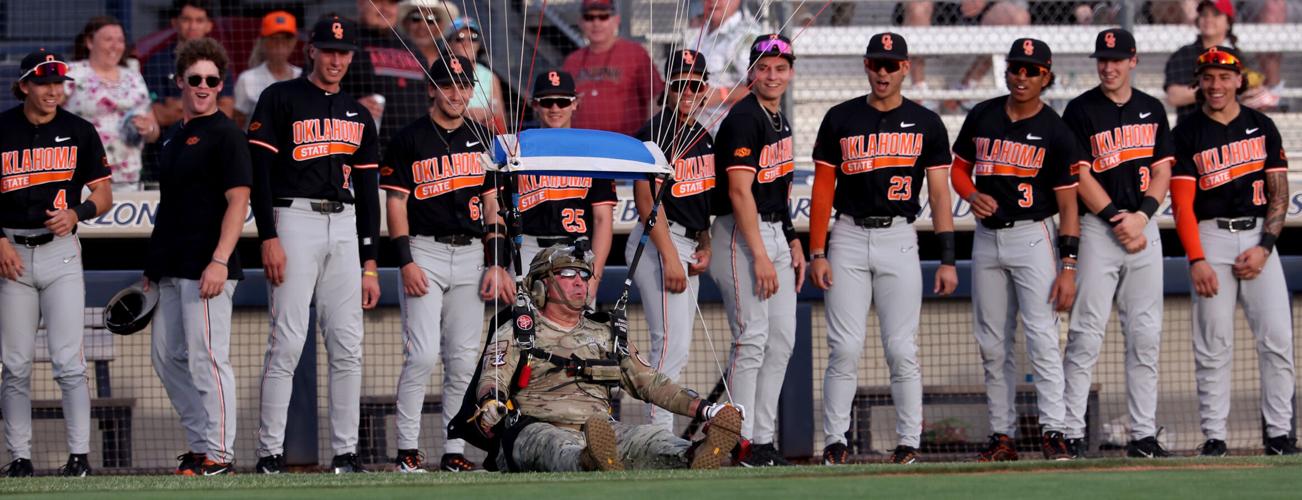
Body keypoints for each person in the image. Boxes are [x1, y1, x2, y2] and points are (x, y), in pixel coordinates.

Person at [808, 32, 958, 466]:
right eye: (876, 63)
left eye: (891, 65)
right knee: (845, 347)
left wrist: (947, 258)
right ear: (866, 65)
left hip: (899, 235)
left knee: (901, 348)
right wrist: (817, 251)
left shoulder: (927, 122)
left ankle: (909, 442)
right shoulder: (840, 117)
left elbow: (940, 195)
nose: (883, 72)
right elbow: (822, 190)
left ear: (906, 68)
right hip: (849, 236)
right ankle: (835, 441)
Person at [247, 16, 382, 474]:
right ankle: (269, 453)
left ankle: (345, 452)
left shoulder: (357, 113)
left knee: (348, 345)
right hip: (294, 219)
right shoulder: (279, 97)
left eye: (344, 53)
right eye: (329, 51)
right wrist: (268, 235)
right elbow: (259, 176)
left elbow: (368, 195)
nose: (337, 59)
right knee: (286, 343)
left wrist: (369, 262)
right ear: (311, 51)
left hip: (343, 227)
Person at [471, 245, 744, 472]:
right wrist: (490, 403)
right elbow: (492, 378)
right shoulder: (518, 330)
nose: (580, 281)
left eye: (584, 275)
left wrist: (708, 409)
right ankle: (587, 461)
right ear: (540, 286)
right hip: (535, 431)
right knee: (555, 446)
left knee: (652, 438)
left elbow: (652, 383)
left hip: (601, 430)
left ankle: (693, 455)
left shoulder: (606, 332)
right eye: (567, 274)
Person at [949, 38, 1085, 462]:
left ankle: (1054, 431)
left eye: (1031, 70)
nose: (1022, 76)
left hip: (1033, 236)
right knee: (992, 342)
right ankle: (1001, 434)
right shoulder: (983, 114)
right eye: (1016, 68)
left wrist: (1068, 266)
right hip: (988, 238)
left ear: (1047, 76)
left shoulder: (1056, 129)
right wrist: (970, 194)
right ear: (1006, 71)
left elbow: (1068, 205)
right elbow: (958, 168)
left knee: (1043, 337)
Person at [379, 55, 514, 473]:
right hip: (425, 252)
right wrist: (404, 261)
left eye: (463, 85)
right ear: (431, 89)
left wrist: (496, 263)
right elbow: (396, 204)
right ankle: (406, 449)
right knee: (420, 355)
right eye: (447, 85)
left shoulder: (483, 136)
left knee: (461, 359)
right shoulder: (408, 139)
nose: (456, 93)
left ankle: (454, 450)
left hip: (472, 253)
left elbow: (493, 204)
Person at [1170, 45, 1298, 458]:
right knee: (1213, 343)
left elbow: (1279, 195)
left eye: (1224, 76)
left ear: (1240, 79)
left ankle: (1279, 435)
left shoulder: (1262, 126)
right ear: (1199, 82)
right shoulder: (1186, 132)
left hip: (1259, 237)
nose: (1216, 85)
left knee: (1277, 340)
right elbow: (1183, 205)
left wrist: (1264, 247)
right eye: (1208, 77)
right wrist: (1197, 259)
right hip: (1211, 237)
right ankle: (1214, 437)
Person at [1060, 28, 1174, 460]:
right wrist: (1115, 219)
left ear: (1133, 60)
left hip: (1143, 229)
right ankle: (1071, 433)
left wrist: (1142, 216)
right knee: (1086, 334)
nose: (1108, 66)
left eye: (1116, 59)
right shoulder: (1081, 109)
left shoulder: (1151, 108)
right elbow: (1079, 174)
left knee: (1145, 335)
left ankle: (1143, 434)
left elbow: (1162, 171)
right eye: (1102, 60)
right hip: (1098, 230)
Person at [0, 49, 112, 478]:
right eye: (43, 82)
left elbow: (104, 196)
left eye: (58, 82)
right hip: (12, 256)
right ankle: (20, 458)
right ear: (25, 85)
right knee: (15, 365)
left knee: (69, 361)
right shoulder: (3, 128)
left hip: (61, 251)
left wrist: (77, 214)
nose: (52, 90)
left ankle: (79, 458)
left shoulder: (79, 130)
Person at [145, 38, 249, 476]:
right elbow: (169, 208)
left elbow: (239, 201)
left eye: (212, 80)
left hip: (209, 265)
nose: (204, 86)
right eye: (195, 80)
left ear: (220, 84)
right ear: (180, 83)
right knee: (166, 356)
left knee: (209, 357)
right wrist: (152, 268)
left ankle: (220, 454)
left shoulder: (226, 134)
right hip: (171, 264)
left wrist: (220, 260)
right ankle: (200, 442)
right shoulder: (173, 138)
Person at [708, 34, 804, 467]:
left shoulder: (778, 117)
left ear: (790, 72)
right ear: (751, 72)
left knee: (781, 341)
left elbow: (777, 189)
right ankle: (740, 439)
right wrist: (762, 255)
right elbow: (739, 192)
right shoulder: (745, 117)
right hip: (742, 236)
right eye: (764, 67)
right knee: (752, 340)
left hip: (774, 234)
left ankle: (762, 441)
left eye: (780, 67)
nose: (772, 74)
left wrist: (792, 240)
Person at [626, 49, 715, 433]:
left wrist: (706, 243)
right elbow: (646, 201)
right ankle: (655, 435)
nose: (688, 92)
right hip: (659, 242)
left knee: (676, 348)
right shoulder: (655, 132)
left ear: (705, 89)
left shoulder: (703, 134)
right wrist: (670, 257)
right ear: (669, 88)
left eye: (695, 85)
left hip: (686, 242)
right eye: (680, 85)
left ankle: (658, 432)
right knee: (668, 347)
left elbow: (702, 200)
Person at [514, 70, 617, 290]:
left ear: (575, 104)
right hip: (529, 248)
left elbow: (602, 220)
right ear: (535, 104)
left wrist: (595, 276)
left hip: (576, 249)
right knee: (525, 322)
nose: (555, 109)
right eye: (547, 102)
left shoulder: (592, 152)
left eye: (562, 101)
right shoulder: (517, 149)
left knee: (577, 323)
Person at [64, 16, 160, 191]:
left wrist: (148, 128)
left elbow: (154, 131)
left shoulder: (134, 76)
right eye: (108, 39)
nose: (115, 46)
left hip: (127, 177)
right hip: (82, 176)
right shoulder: (72, 73)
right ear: (89, 42)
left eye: (120, 40)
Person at [899, 0, 1030, 111]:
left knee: (1018, 16)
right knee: (918, 5)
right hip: (938, 5)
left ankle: (968, 86)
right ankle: (919, 88)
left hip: (984, 9)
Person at [562, 0, 663, 135]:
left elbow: (655, 99)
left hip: (626, 144)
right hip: (581, 147)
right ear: (581, 22)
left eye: (603, 17)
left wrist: (650, 137)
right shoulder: (572, 61)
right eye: (589, 17)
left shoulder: (635, 54)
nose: (596, 23)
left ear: (616, 20)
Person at [344, 0, 429, 149]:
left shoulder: (412, 48)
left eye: (391, 3)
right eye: (378, 2)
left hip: (415, 153)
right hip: (364, 153)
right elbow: (314, 93)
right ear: (360, 3)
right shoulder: (345, 41)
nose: (385, 9)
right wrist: (349, 107)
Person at [142, 0, 233, 130]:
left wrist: (179, 105)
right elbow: (158, 115)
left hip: (211, 142)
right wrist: (208, 106)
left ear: (209, 25)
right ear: (174, 22)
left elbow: (228, 111)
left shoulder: (219, 62)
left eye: (199, 20)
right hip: (170, 143)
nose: (192, 26)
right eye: (186, 20)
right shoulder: (156, 62)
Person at [679, 0, 764, 134]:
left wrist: (721, 94)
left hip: (732, 134)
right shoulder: (701, 33)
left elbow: (761, 87)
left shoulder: (746, 36)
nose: (713, 1)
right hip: (699, 133)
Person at [233, 11, 302, 128]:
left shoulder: (303, 77)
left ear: (294, 41)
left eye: (286, 38)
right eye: (274, 38)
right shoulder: (247, 79)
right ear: (263, 41)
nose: (280, 44)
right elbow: (237, 124)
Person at [445, 18, 506, 132]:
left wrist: (487, 115)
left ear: (479, 44)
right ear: (449, 44)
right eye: (460, 38)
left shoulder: (490, 77)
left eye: (473, 38)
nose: (467, 43)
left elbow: (501, 121)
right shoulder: (442, 73)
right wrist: (466, 114)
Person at [400, 0, 459, 64]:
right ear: (405, 23)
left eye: (431, 19)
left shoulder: (452, 61)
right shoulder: (391, 55)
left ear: (441, 26)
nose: (422, 26)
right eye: (416, 18)